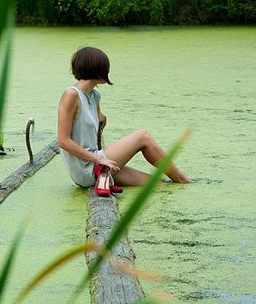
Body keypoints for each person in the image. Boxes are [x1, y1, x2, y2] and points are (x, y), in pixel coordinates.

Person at [57, 46, 191, 194]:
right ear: (97, 69)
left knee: (157, 184)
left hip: (100, 165)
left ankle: (180, 185)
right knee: (142, 136)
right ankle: (184, 180)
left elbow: (98, 117)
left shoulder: (94, 96)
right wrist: (99, 159)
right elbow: (63, 141)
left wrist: (102, 118)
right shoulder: (71, 95)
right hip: (87, 167)